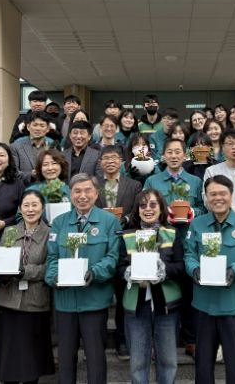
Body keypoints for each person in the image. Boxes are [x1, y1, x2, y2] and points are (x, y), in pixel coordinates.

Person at [184, 175, 235, 384]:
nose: (217, 198)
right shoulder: (197, 224)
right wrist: (194, 269)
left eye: (222, 193)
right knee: (203, 364)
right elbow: (189, 254)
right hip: (204, 305)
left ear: (231, 195)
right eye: (212, 194)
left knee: (234, 364)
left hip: (233, 306)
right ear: (206, 197)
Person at [45, 173, 121, 384]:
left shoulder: (109, 222)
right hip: (65, 302)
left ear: (96, 194)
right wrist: (54, 278)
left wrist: (94, 272)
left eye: (88, 190)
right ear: (70, 194)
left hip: (94, 301)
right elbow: (51, 257)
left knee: (95, 359)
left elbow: (112, 257)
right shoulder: (59, 223)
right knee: (66, 359)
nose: (82, 196)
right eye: (77, 191)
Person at [143, 138, 204, 356]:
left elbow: (203, 207)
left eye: (178, 152)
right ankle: (156, 342)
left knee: (189, 292)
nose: (174, 156)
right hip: (161, 243)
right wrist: (163, 214)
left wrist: (192, 212)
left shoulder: (195, 181)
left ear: (185, 155)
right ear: (163, 156)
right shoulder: (153, 180)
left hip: (187, 241)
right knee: (160, 290)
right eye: (170, 152)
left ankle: (190, 339)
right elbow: (144, 205)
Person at [118, 189, 184, 384]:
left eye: (153, 205)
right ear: (137, 210)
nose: (148, 209)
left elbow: (181, 266)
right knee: (138, 363)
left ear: (161, 209)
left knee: (168, 362)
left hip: (166, 306)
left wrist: (165, 270)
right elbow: (118, 267)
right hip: (136, 306)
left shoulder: (172, 233)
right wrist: (128, 272)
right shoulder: (127, 235)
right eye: (143, 205)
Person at [0, 191, 55, 384]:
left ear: (42, 208)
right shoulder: (10, 231)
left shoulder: (50, 234)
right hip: (8, 300)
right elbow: (2, 258)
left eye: (35, 205)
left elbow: (50, 267)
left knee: (31, 359)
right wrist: (1, 272)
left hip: (35, 302)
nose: (30, 209)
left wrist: (23, 271)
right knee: (9, 358)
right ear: (20, 209)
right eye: (26, 205)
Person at [95, 145, 143, 360]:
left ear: (122, 162)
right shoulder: (93, 185)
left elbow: (138, 210)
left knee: (125, 293)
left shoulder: (134, 185)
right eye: (106, 158)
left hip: (125, 243)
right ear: (100, 162)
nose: (110, 161)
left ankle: (122, 340)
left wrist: (124, 219)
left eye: (114, 157)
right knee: (99, 294)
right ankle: (97, 340)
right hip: (100, 244)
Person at [11, 111, 56, 184]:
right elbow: (13, 173)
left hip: (48, 188)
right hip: (25, 188)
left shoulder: (53, 145)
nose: (38, 128)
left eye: (42, 126)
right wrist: (31, 175)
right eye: (35, 125)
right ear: (28, 127)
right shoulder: (16, 146)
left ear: (48, 129)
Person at [25, 149, 71, 217]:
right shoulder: (31, 191)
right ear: (40, 168)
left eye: (54, 163)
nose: (50, 168)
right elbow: (20, 216)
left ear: (61, 166)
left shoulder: (70, 191)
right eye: (45, 164)